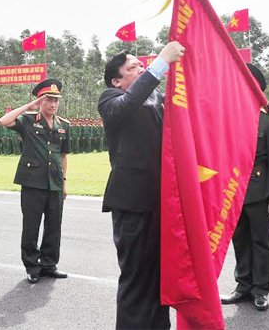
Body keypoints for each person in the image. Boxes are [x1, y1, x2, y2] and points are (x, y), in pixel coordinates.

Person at [98, 41, 184, 329]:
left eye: (142, 64)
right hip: (132, 203)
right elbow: (129, 102)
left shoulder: (158, 98)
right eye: (133, 67)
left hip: (163, 201)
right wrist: (160, 62)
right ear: (116, 80)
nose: (142, 68)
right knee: (136, 277)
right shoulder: (110, 99)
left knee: (161, 276)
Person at [221, 63, 269, 311]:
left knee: (260, 241)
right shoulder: (228, 118)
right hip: (233, 191)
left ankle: (260, 290)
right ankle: (243, 285)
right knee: (239, 239)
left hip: (257, 191)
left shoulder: (266, 121)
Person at [0, 79, 71, 284]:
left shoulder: (64, 125)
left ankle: (49, 264)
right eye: (48, 99)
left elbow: (63, 156)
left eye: (56, 100)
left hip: (55, 181)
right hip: (32, 181)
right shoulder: (29, 120)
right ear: (40, 101)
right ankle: (32, 265)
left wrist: (64, 182)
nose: (53, 104)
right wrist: (28, 107)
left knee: (54, 225)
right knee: (31, 225)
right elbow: (4, 121)